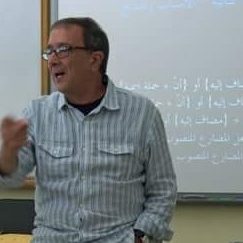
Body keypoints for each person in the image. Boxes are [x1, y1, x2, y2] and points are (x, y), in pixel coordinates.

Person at [0, 17, 177, 243]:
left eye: (62, 50)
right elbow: (10, 179)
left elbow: (163, 190)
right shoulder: (37, 113)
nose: (52, 60)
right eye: (49, 51)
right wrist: (7, 152)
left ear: (95, 59)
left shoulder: (142, 114)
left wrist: (141, 236)